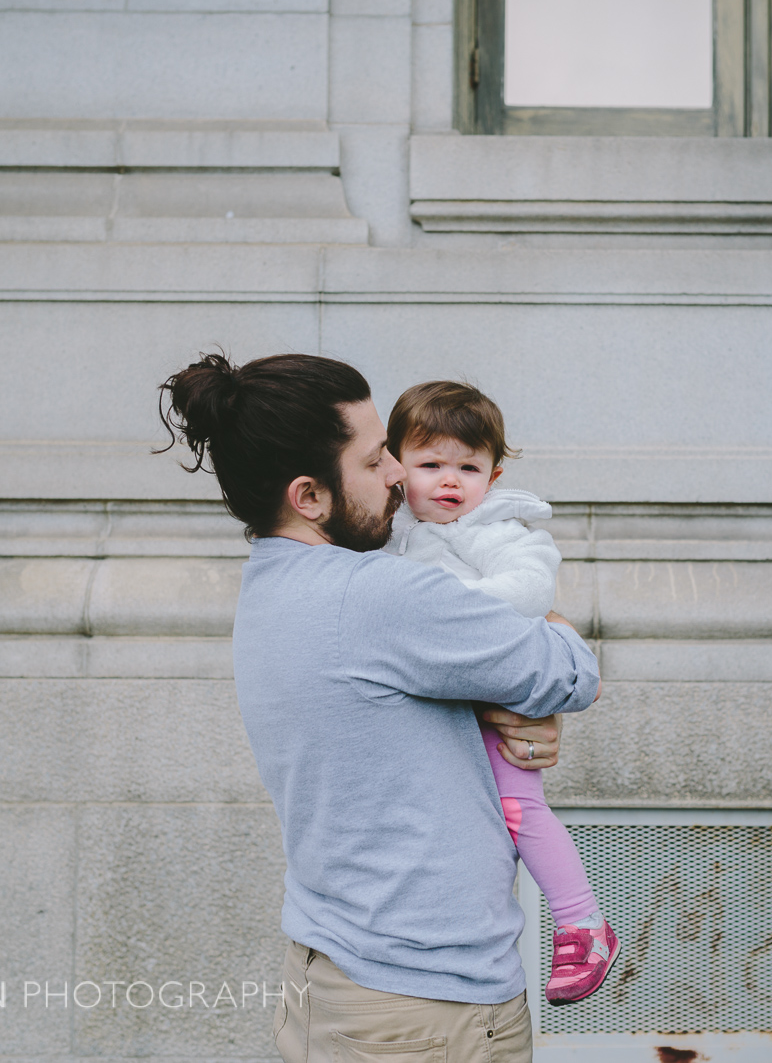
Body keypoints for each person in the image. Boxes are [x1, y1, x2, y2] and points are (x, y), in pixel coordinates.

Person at [155, 352, 601, 1063]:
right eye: (374, 461)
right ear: (309, 495)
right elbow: (570, 676)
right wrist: (556, 633)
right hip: (426, 1008)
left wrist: (495, 712)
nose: (399, 472)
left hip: (337, 976)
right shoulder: (383, 596)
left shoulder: (271, 582)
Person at [382, 380, 618, 1006]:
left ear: (495, 473)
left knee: (519, 811)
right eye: (430, 464)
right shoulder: (388, 530)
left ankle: (582, 923)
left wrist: (445, 612)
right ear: (394, 464)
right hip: (438, 711)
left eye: (469, 466)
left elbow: (530, 589)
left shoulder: (495, 527)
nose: (449, 480)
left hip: (495, 701)